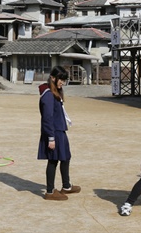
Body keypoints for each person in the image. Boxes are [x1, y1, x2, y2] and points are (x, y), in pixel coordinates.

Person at [37, 66, 81, 200]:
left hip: (60, 130)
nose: (62, 82)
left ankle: (66, 186)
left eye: (64, 80)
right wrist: (50, 138)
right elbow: (47, 118)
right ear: (53, 78)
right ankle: (50, 191)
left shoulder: (55, 92)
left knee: (65, 157)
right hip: (53, 132)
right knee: (53, 160)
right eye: (60, 79)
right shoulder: (48, 95)